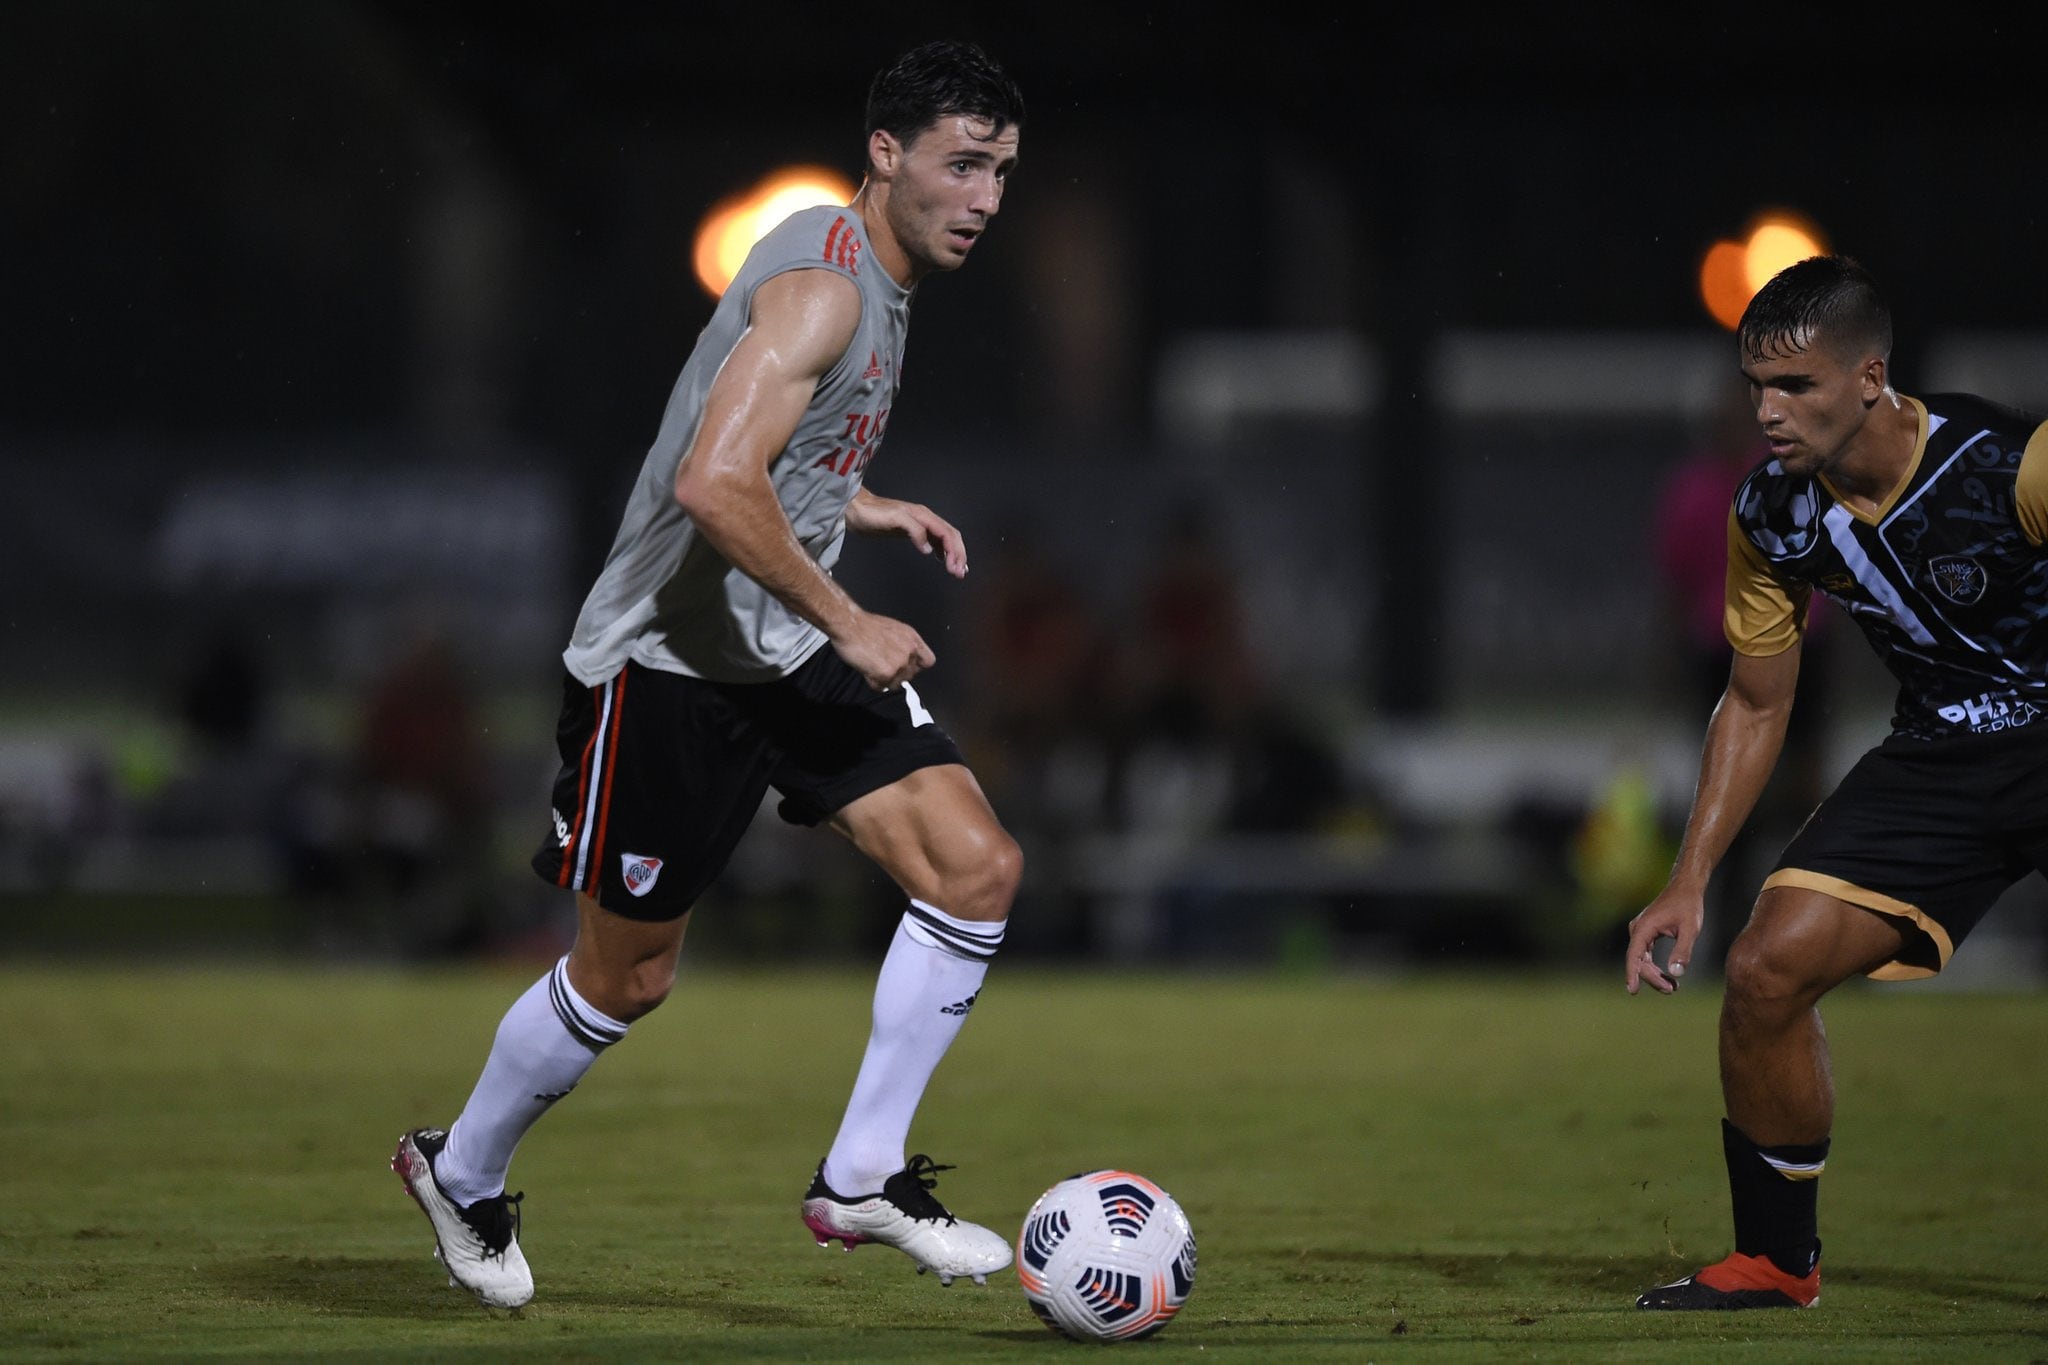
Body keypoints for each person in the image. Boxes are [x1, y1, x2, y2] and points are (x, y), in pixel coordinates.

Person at [392, 39, 1026, 1309]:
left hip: (777, 645)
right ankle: (459, 1169)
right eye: (962, 166)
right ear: (885, 156)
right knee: (628, 976)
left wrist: (858, 501)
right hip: (670, 665)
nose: (985, 200)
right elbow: (709, 482)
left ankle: (860, 1172)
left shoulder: (865, 268)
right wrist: (850, 618)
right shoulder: (826, 289)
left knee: (976, 867)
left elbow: (770, 459)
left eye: (1002, 172)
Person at [1624, 254, 2048, 1310]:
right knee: (1765, 968)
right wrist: (1685, 879)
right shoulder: (1769, 514)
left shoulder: (2011, 466)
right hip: (1942, 756)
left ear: (1869, 377)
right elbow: (1757, 704)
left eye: (1793, 386)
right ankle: (1773, 1262)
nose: (1764, 412)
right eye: (1753, 387)